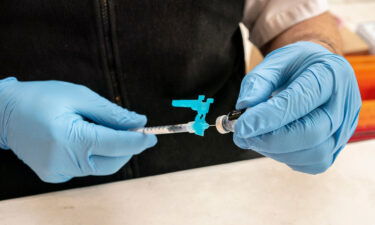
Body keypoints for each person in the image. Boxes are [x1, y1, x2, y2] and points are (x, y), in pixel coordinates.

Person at [0, 0, 361, 200]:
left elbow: (296, 14)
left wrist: (317, 53)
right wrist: (4, 110)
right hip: (30, 195)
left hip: (218, 184)